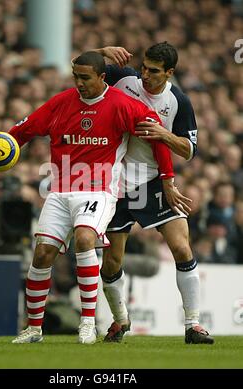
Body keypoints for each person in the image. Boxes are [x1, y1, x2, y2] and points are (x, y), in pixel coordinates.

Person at [0, 51, 183, 345]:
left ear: (103, 78)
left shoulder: (124, 106)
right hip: (60, 191)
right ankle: (34, 328)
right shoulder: (61, 103)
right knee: (42, 253)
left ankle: (87, 323)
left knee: (85, 239)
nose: (78, 82)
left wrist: (168, 180)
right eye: (75, 76)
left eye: (85, 77)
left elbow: (158, 138)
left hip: (99, 191)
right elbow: (22, 132)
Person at [92, 42, 214, 344]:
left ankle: (193, 325)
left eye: (154, 71)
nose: (145, 75)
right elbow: (81, 68)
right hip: (115, 183)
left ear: (169, 72)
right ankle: (120, 321)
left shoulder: (178, 102)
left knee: (182, 248)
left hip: (155, 181)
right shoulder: (125, 79)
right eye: (144, 67)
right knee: (111, 263)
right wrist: (102, 51)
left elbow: (189, 150)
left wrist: (164, 135)